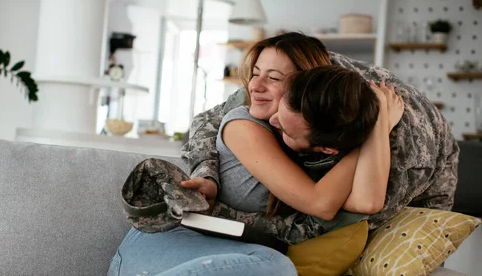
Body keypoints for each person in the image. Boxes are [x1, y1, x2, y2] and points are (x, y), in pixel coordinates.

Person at [0, 60, 403, 276]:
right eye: (264, 80)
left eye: (287, 125)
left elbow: (366, 201)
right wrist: (374, 132)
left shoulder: (330, 139)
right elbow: (323, 203)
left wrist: (377, 127)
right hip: (163, 248)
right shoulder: (249, 121)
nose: (272, 116)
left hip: (225, 274)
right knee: (277, 272)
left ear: (326, 149)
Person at [181, 32, 459, 243]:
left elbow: (360, 206)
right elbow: (204, 121)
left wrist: (379, 129)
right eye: (254, 74)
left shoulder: (397, 148)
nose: (255, 85)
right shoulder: (259, 103)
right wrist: (208, 176)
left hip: (432, 156)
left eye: (274, 79)